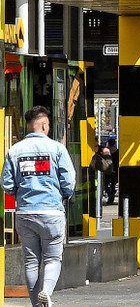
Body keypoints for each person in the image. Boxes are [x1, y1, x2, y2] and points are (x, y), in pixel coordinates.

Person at [1, 105, 76, 307]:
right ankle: (46, 291)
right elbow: (68, 182)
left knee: (31, 261)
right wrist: (63, 195)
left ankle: (37, 305)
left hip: (25, 213)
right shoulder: (58, 149)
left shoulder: (14, 150)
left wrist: (21, 194)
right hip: (51, 211)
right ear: (44, 125)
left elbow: (6, 184)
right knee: (52, 258)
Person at [104, 138, 119, 205]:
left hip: (107, 170)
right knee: (113, 185)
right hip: (115, 170)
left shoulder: (105, 151)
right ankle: (111, 197)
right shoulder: (117, 151)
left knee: (106, 185)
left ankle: (110, 195)